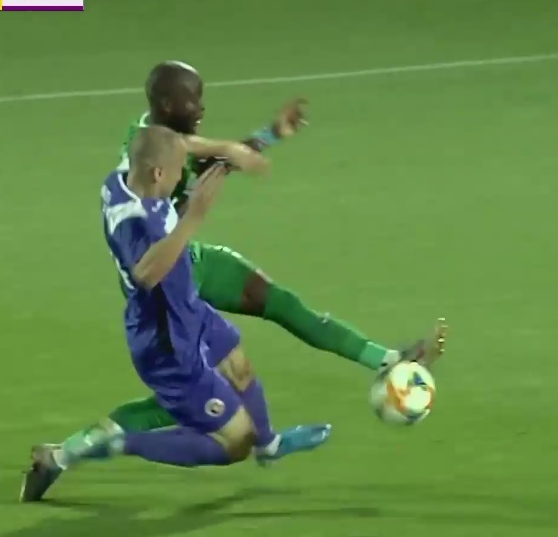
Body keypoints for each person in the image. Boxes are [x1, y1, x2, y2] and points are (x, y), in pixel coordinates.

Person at [21, 126, 330, 502]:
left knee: (238, 364)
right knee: (236, 443)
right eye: (177, 170)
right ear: (157, 174)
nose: (182, 175)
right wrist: (193, 216)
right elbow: (146, 273)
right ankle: (115, 445)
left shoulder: (123, 177)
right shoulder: (136, 221)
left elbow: (169, 143)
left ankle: (269, 445)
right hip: (168, 342)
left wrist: (232, 149)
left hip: (187, 309)